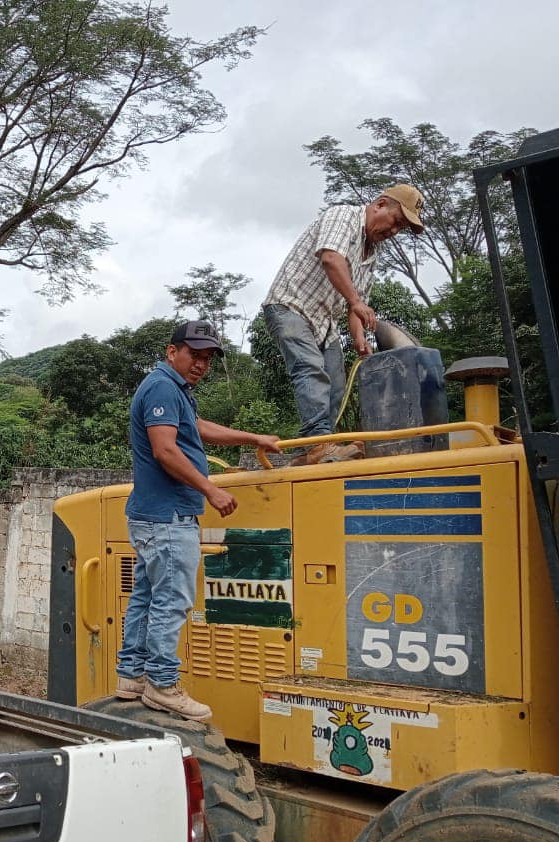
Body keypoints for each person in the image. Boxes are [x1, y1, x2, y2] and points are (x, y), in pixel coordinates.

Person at [116, 321, 281, 721]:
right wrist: (211, 489)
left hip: (154, 516)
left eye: (207, 358)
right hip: (168, 517)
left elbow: (198, 429)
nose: (201, 364)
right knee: (172, 600)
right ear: (173, 352)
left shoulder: (176, 391)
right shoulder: (160, 386)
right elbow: (165, 451)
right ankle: (161, 685)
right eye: (195, 355)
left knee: (147, 597)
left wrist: (251, 438)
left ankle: (131, 676)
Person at [262, 185, 425, 465]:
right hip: (291, 305)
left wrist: (359, 339)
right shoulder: (343, 217)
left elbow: (355, 303)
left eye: (401, 229)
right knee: (310, 370)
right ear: (380, 205)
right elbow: (330, 258)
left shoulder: (373, 254)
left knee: (336, 385)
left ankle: (312, 452)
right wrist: (357, 303)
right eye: (396, 222)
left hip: (324, 322)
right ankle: (319, 443)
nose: (394, 231)